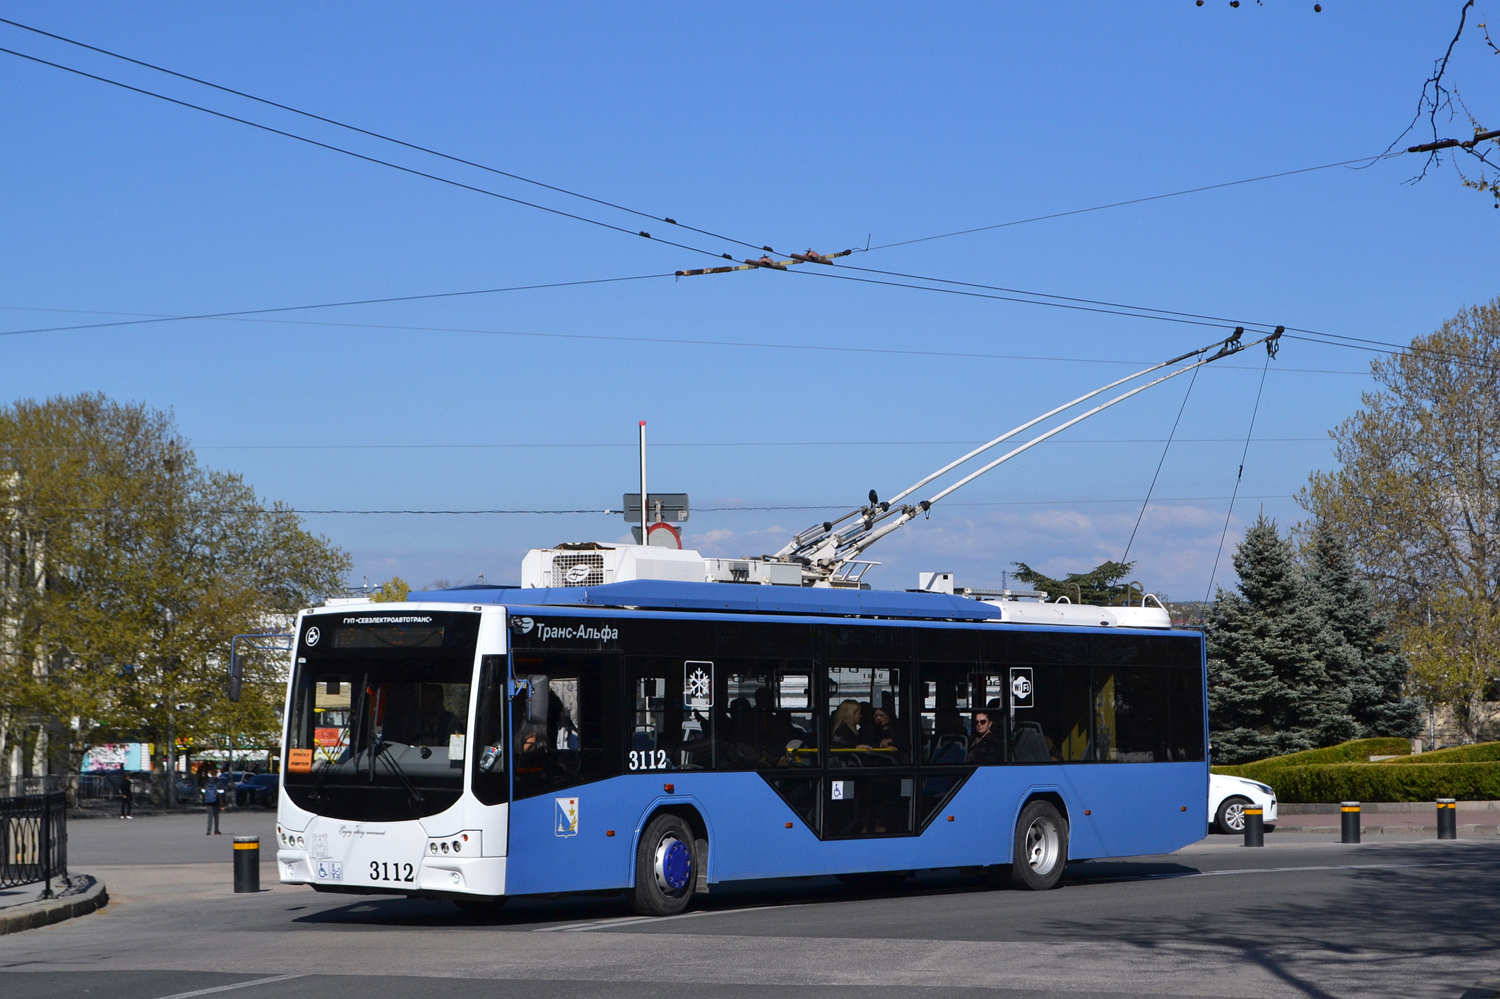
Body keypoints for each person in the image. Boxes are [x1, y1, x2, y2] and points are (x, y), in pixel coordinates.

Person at [204, 769, 222, 835]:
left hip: (208, 800)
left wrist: (205, 799)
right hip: (216, 800)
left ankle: (209, 830)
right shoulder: (218, 781)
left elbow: (203, 791)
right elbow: (221, 793)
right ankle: (216, 830)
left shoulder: (207, 781)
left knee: (210, 815)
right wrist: (222, 804)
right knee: (216, 816)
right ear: (216, 774)